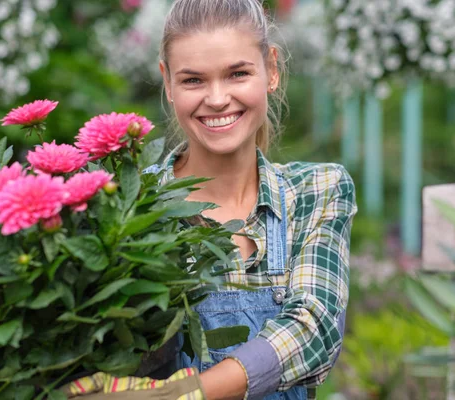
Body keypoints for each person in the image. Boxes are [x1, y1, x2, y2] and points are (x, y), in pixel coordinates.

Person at [62, 0, 357, 398]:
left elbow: (313, 329)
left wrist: (180, 395)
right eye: (194, 81)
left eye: (237, 73)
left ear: (271, 69)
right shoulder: (130, 205)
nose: (217, 99)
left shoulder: (315, 191)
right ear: (167, 82)